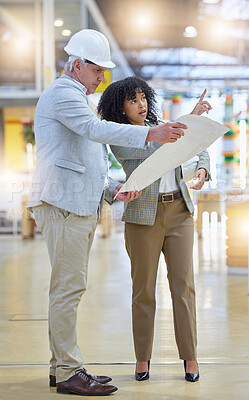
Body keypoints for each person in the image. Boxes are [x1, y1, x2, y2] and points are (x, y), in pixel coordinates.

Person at [27, 30, 189, 397]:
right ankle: (68, 369)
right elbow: (94, 130)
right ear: (77, 64)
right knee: (68, 289)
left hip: (76, 203)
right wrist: (152, 135)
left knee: (68, 288)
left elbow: (82, 160)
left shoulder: (77, 98)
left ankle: (61, 367)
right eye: (98, 70)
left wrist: (114, 189)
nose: (102, 78)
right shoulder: (63, 95)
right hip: (64, 205)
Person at [97, 76, 212, 383]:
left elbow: (197, 146)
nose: (141, 103)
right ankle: (142, 357)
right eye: (132, 100)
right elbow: (155, 152)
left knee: (183, 288)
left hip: (179, 212)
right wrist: (188, 122)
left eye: (142, 97)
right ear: (119, 109)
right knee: (143, 291)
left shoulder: (162, 126)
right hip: (142, 217)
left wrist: (202, 166)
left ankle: (190, 356)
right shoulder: (121, 136)